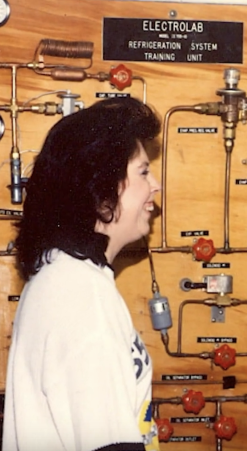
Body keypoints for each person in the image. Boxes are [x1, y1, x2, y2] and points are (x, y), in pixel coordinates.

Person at [3, 97, 163, 451]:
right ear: (101, 191)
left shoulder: (70, 278)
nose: (156, 186)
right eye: (142, 171)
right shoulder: (80, 297)